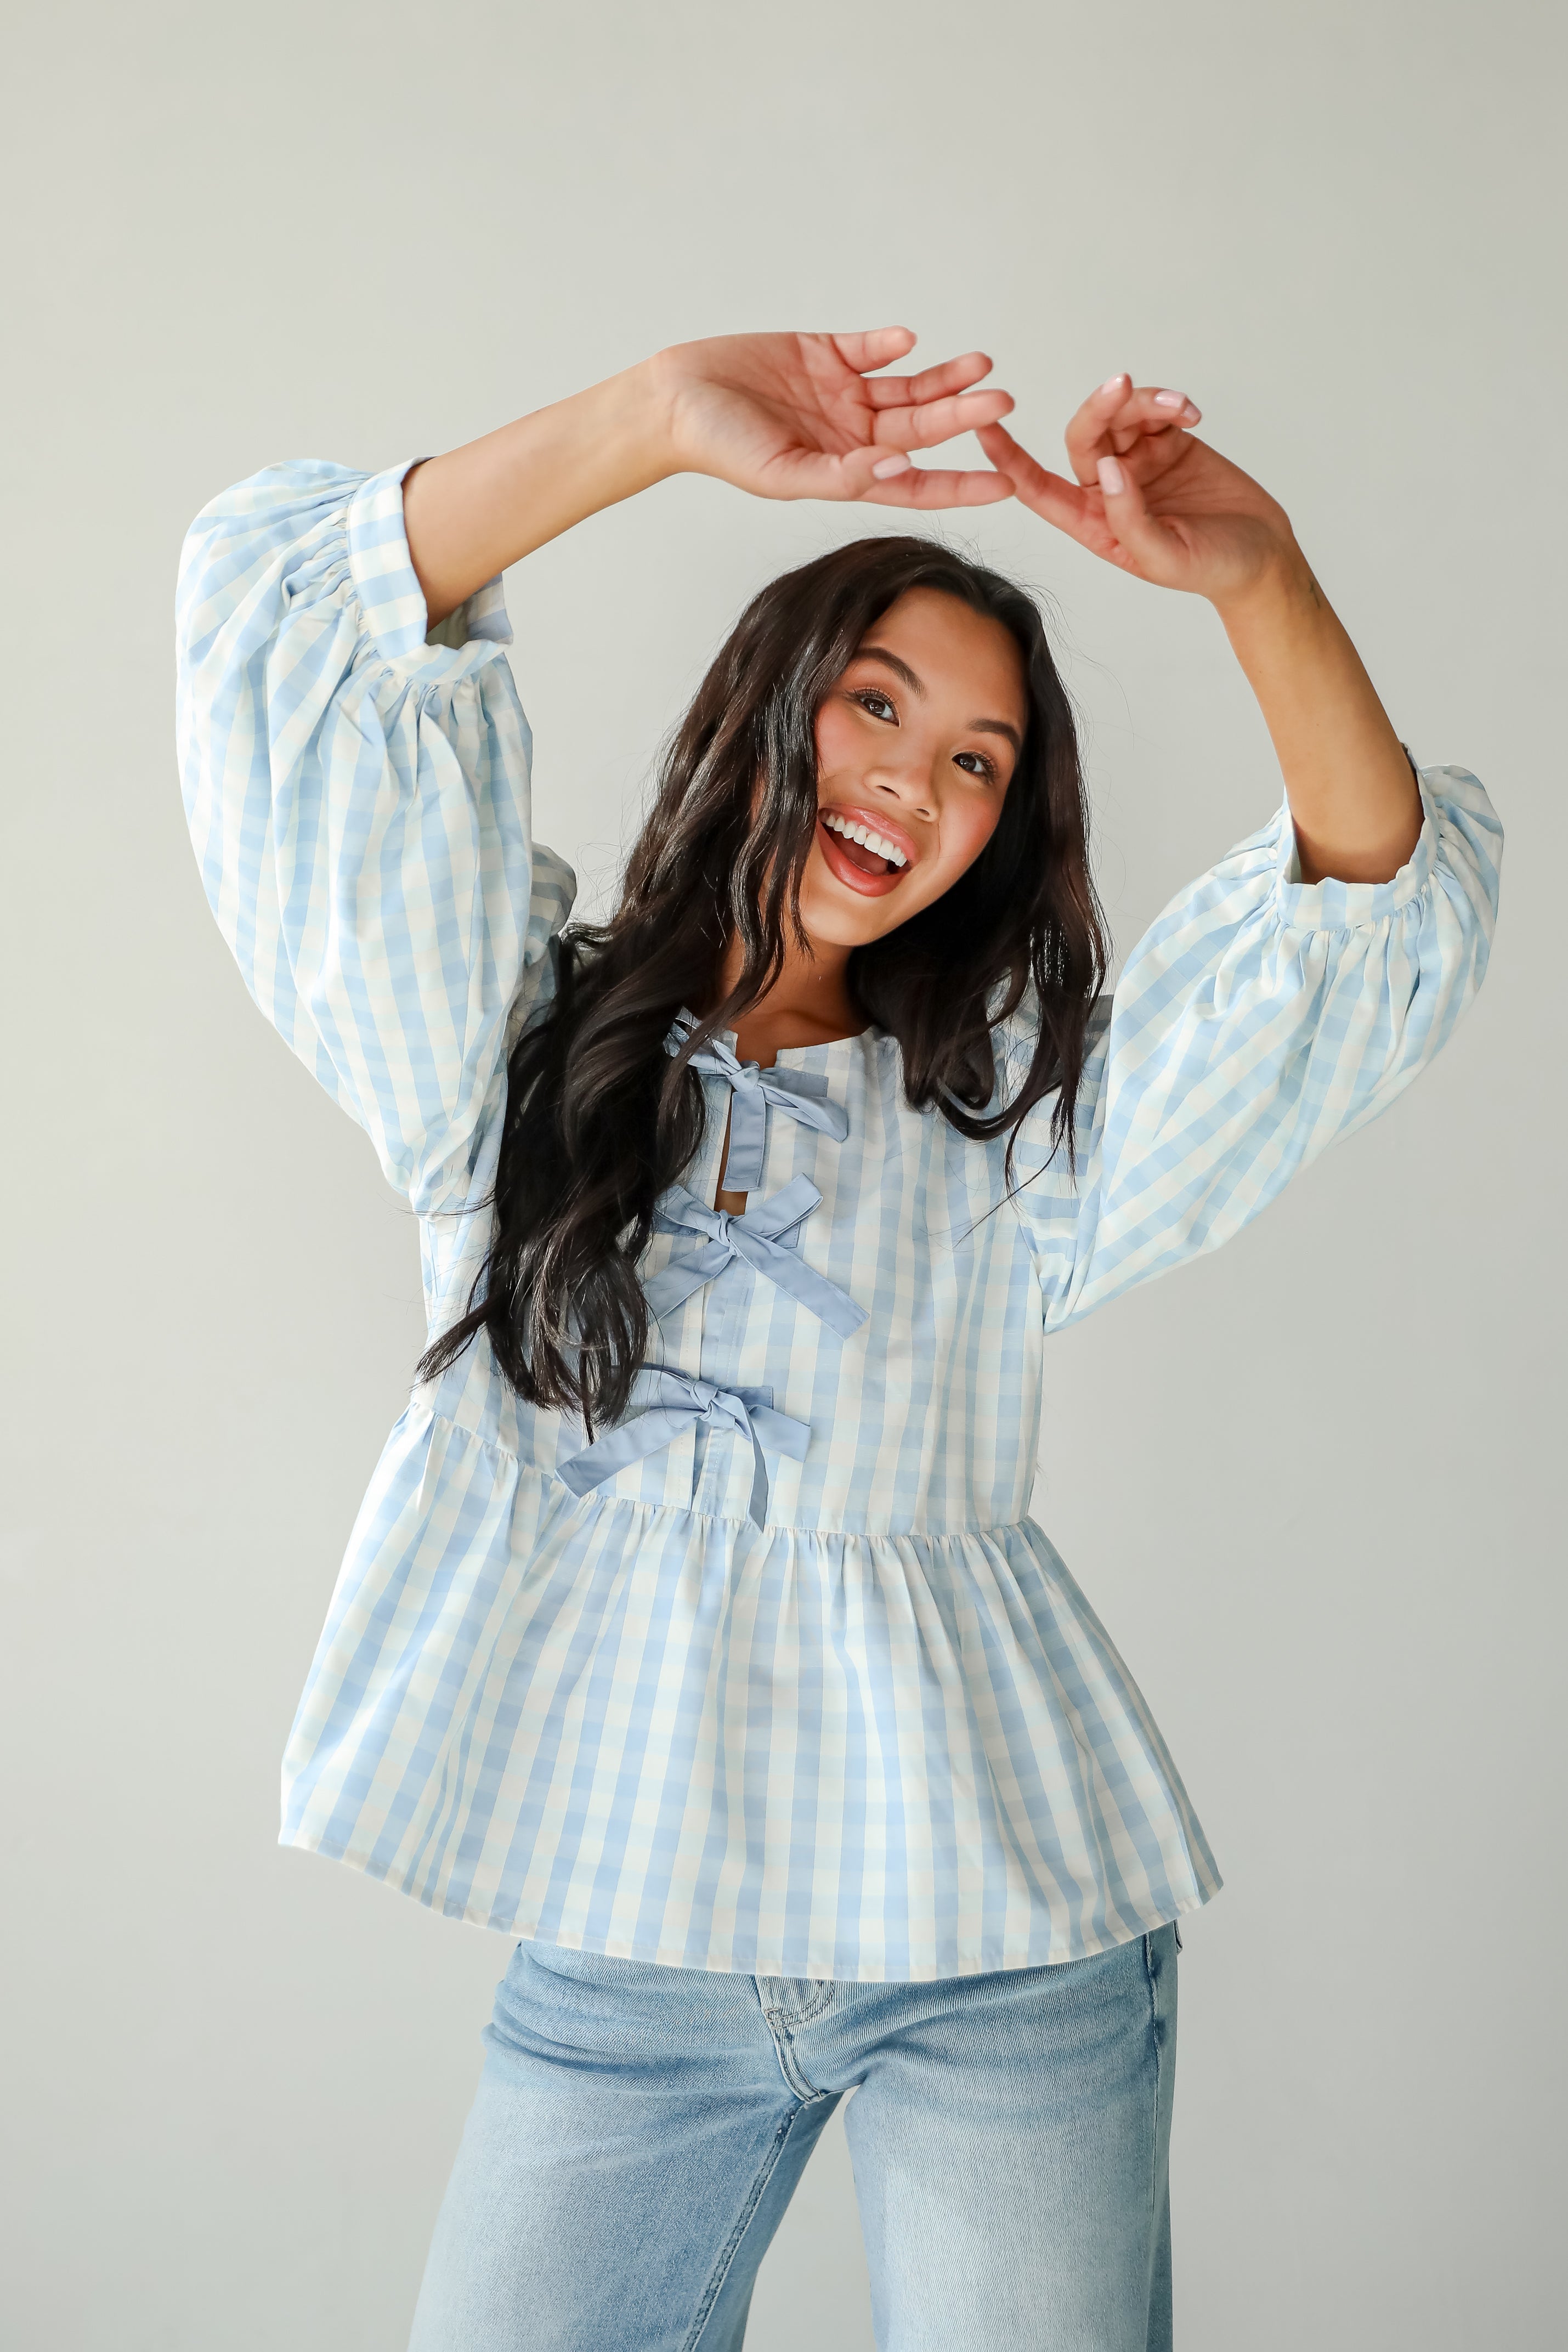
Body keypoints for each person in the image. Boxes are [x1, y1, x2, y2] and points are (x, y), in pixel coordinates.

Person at [175, 327, 1501, 2351]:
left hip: (1006, 1943)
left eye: (977, 762)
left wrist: (1260, 576)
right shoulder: (506, 1041)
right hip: (627, 1957)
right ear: (770, 708)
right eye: (877, 706)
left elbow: (1361, 917)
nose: (917, 777)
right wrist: (648, 423)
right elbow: (331, 642)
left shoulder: (1007, 1133)